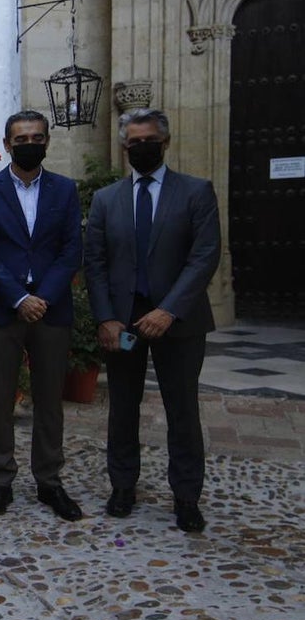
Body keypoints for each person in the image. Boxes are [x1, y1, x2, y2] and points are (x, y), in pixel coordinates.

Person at [84, 108, 222, 533]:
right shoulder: (107, 199)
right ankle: (123, 486)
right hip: (124, 325)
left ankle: (186, 497)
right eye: (133, 143)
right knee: (122, 407)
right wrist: (106, 317)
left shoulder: (196, 192)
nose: (140, 148)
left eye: (149, 141)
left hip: (178, 324)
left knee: (182, 410)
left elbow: (204, 257)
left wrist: (169, 310)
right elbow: (96, 263)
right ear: (125, 147)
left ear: (164, 143)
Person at [0, 110, 84, 521]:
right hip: (3, 309)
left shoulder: (66, 189)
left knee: (50, 399)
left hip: (51, 311)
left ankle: (49, 481)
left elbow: (72, 248)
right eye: (21, 139)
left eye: (36, 136)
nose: (29, 143)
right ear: (7, 145)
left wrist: (44, 297)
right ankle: (1, 480)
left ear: (47, 141)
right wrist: (19, 298)